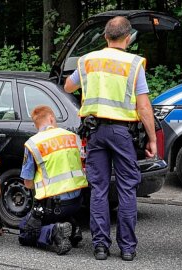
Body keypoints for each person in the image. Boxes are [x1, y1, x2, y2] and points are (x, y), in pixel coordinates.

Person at [64, 16, 157, 261]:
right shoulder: (134, 64)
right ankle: (127, 248)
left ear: (105, 36)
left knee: (99, 189)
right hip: (122, 132)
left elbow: (68, 87)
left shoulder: (87, 61)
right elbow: (144, 106)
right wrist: (152, 140)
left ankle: (100, 247)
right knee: (127, 188)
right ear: (128, 38)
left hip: (95, 132)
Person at [18, 105, 88, 255]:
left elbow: (28, 183)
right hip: (77, 201)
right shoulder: (72, 136)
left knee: (25, 229)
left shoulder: (33, 144)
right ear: (51, 118)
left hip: (54, 205)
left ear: (36, 124)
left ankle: (55, 231)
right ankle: (72, 227)